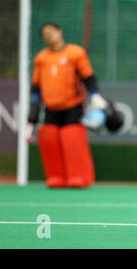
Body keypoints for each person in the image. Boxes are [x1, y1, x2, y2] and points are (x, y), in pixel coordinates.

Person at [26, 23, 108, 188]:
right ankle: (56, 176)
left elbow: (88, 77)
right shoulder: (41, 58)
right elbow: (36, 88)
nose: (49, 35)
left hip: (73, 105)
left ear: (60, 31)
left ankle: (78, 176)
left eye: (51, 31)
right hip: (50, 107)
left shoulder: (76, 53)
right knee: (51, 140)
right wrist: (32, 116)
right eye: (45, 34)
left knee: (72, 138)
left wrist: (95, 95)